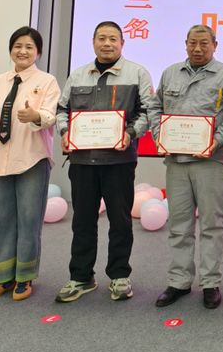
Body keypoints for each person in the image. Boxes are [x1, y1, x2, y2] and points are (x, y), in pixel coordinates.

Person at [55, 21, 153, 303]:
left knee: (120, 221)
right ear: (93, 42)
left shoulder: (137, 73)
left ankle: (119, 275)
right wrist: (65, 132)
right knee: (82, 221)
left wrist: (130, 133)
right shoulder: (78, 74)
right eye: (101, 38)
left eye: (112, 39)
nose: (107, 43)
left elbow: (147, 112)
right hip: (82, 161)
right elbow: (62, 109)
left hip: (118, 161)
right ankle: (81, 276)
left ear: (122, 43)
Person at [150, 25, 223, 310]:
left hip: (211, 161)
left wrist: (215, 141)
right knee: (180, 225)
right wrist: (159, 135)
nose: (198, 48)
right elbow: (155, 108)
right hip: (177, 161)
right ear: (185, 44)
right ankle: (179, 281)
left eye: (204, 43)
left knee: (212, 225)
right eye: (192, 43)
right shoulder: (170, 73)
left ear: (215, 45)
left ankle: (210, 283)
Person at [0, 27, 60, 301]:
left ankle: (24, 277)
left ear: (38, 52)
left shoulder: (47, 81)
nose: (23, 51)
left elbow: (51, 115)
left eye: (29, 47)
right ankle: (2, 278)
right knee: (0, 221)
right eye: (18, 46)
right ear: (11, 50)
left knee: (29, 220)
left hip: (32, 159)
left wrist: (35, 116)